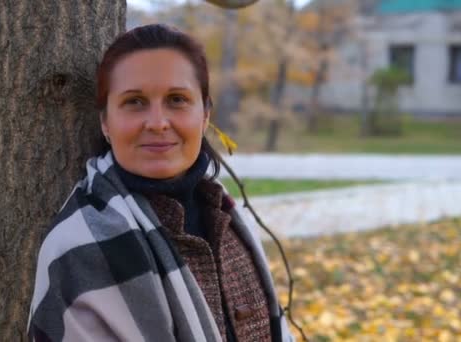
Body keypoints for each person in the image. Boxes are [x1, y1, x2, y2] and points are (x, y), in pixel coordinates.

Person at [27, 24, 293, 342]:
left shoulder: (224, 216)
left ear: (205, 114)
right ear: (105, 122)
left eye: (177, 99)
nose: (156, 123)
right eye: (135, 102)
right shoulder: (79, 249)